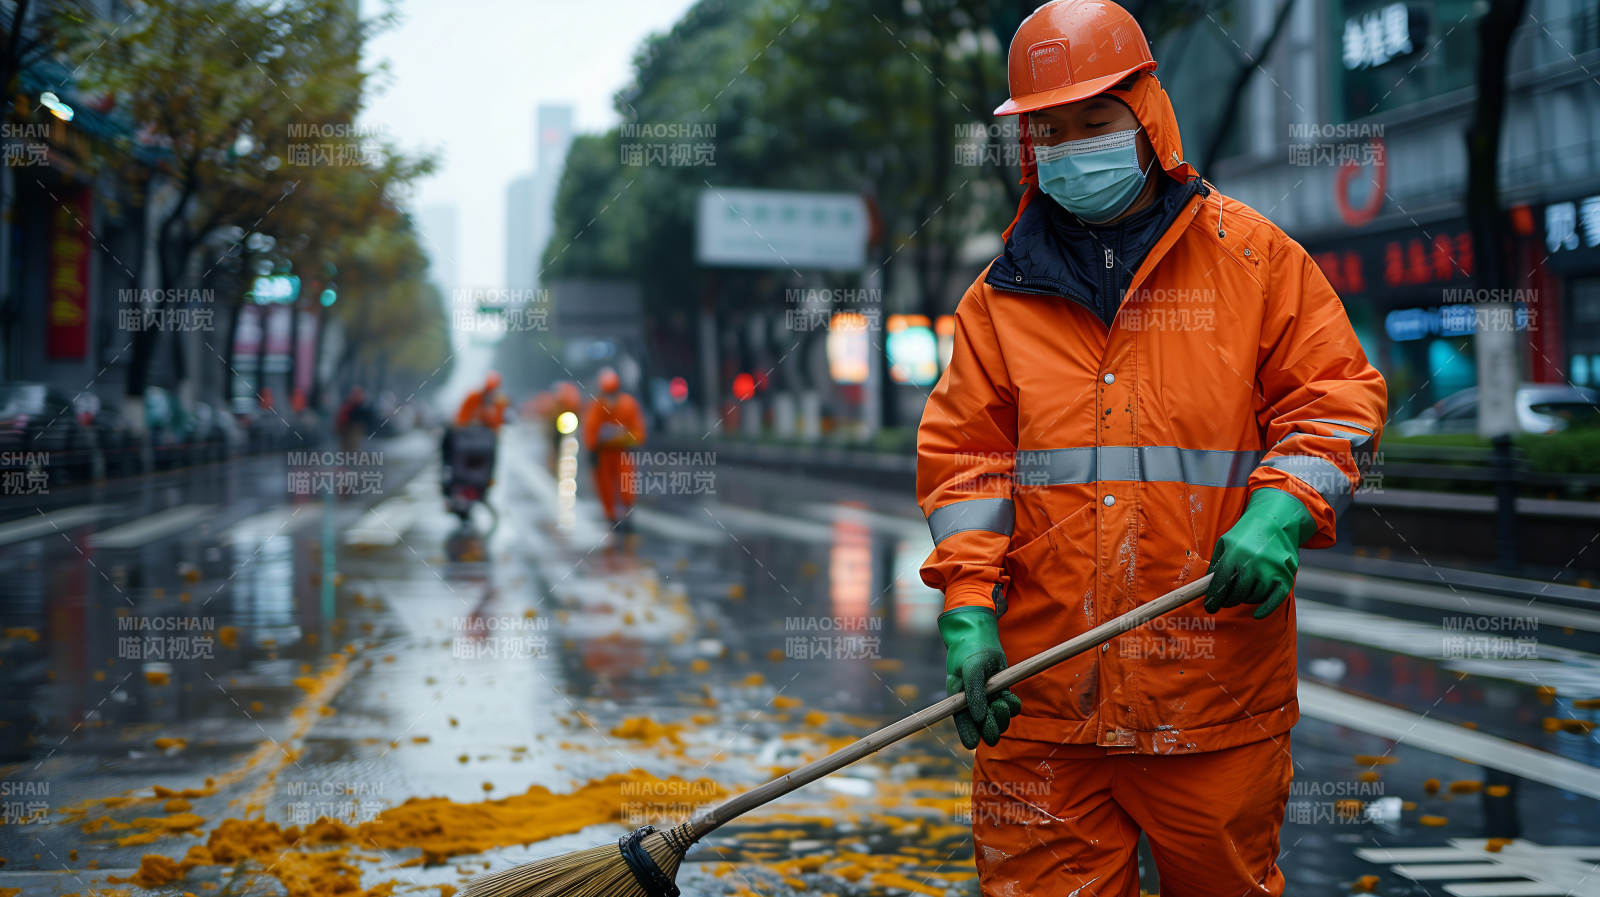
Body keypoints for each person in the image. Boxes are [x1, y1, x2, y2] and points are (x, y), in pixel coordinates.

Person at [915, 2, 1388, 894]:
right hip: (1041, 701)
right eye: (1049, 129)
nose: (1072, 144)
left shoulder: (1254, 261)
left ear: (1149, 113)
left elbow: (1336, 398)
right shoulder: (997, 301)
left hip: (1213, 699)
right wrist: (970, 607)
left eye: (1096, 120)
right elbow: (967, 462)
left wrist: (1281, 505)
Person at [581, 367, 645, 529]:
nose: (611, 397)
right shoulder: (596, 407)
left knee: (626, 484)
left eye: (613, 392)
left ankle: (627, 513)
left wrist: (626, 438)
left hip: (622, 453)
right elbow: (590, 431)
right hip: (603, 455)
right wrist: (592, 449)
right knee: (605, 486)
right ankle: (610, 516)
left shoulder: (628, 405)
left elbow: (638, 432)